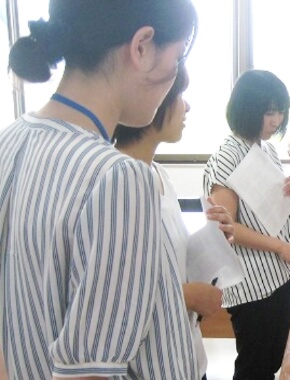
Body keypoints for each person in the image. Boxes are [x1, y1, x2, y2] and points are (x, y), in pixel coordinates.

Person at [0, 1, 200, 379]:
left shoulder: (8, 142)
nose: (175, 79)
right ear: (141, 47)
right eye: (176, 59)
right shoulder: (118, 176)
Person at [112, 63, 228, 380]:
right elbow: (109, 298)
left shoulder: (158, 174)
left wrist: (214, 238)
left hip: (186, 358)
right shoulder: (115, 186)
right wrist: (184, 295)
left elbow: (171, 263)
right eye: (178, 95)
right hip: (148, 368)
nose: (186, 106)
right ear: (150, 100)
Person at [203, 69, 290, 380]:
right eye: (269, 112)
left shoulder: (267, 148)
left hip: (280, 276)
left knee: (274, 360)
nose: (276, 120)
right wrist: (280, 246)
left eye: (280, 111)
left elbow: (267, 204)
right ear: (247, 110)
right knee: (255, 367)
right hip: (253, 286)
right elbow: (226, 227)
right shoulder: (226, 156)